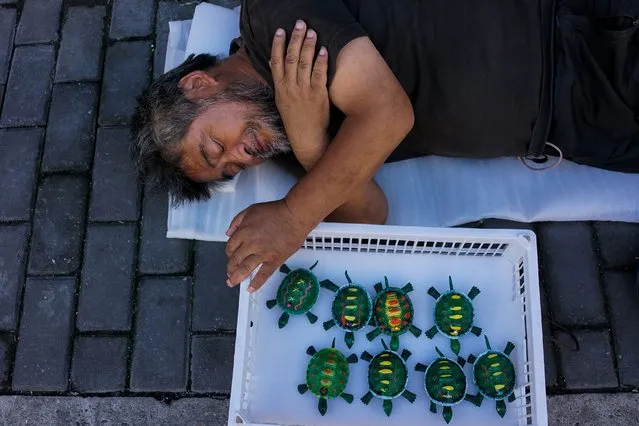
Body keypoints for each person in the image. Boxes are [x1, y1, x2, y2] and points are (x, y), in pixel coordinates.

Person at [131, 0, 639, 292]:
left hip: (580, 37)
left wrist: (293, 215)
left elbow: (388, 111)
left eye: (214, 146)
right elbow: (371, 214)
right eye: (229, 172)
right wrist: (311, 143)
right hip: (576, 126)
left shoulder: (271, 19)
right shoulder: (288, 139)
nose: (239, 158)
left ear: (199, 86)